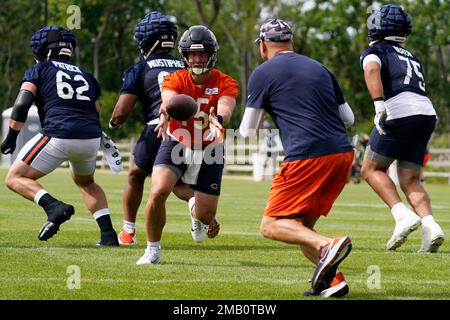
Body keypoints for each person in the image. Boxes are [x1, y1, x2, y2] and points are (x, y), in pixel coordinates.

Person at [239, 19, 355, 297]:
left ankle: (328, 245)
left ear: (262, 45)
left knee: (271, 225)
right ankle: (333, 281)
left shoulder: (263, 73)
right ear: (291, 41)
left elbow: (246, 131)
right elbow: (349, 119)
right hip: (342, 154)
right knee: (301, 228)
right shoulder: (320, 68)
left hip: (307, 156)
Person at [1, 26, 118, 245]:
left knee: (14, 178)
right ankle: (109, 235)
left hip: (59, 134)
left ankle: (54, 207)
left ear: (42, 49)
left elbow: (22, 103)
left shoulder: (40, 69)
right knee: (86, 182)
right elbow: (96, 110)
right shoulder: (87, 76)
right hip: (90, 138)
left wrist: (11, 136)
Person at [109, 12, 219, 245]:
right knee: (177, 183)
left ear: (147, 39)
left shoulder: (140, 67)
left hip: (157, 127)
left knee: (136, 175)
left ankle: (128, 231)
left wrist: (113, 124)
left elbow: (121, 111)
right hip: (186, 132)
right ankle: (194, 206)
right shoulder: (186, 63)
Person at [136, 25, 238, 265]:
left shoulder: (226, 81)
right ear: (185, 55)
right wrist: (164, 116)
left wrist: (218, 119)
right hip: (177, 140)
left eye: (202, 54)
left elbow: (226, 106)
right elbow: (169, 101)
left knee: (206, 215)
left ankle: (198, 213)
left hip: (210, 146)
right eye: (192, 54)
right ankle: (152, 250)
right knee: (158, 190)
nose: (197, 59)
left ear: (211, 54)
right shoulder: (175, 78)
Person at [360, 4, 445, 252]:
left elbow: (372, 69)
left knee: (371, 169)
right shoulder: (411, 56)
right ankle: (431, 227)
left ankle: (402, 215)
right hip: (426, 113)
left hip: (399, 110)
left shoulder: (375, 51)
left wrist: (378, 105)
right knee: (410, 178)